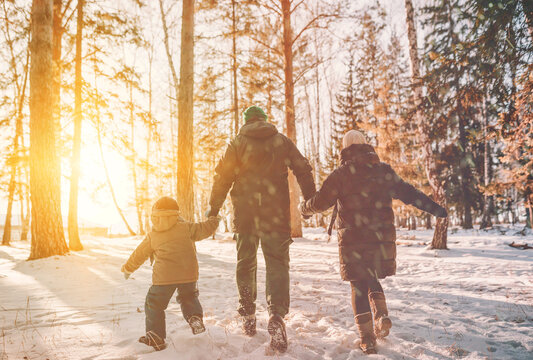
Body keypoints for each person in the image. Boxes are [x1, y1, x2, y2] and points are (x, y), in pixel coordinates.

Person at [299, 130, 447, 355]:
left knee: (358, 284)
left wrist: (304, 209)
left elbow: (320, 202)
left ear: (345, 148)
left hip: (353, 240)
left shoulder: (342, 174)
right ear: (366, 146)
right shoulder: (383, 171)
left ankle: (367, 339)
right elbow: (408, 193)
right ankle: (381, 314)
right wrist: (434, 208)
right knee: (371, 276)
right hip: (379, 238)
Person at [207, 105, 315, 352]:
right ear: (265, 120)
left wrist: (213, 210)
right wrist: (309, 200)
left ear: (246, 122)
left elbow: (221, 179)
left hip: (246, 216)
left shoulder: (237, 144)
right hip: (275, 215)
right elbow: (303, 168)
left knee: (245, 262)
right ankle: (276, 314)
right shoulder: (281, 141)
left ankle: (247, 315)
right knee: (277, 263)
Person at [121, 196, 220, 351]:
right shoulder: (186, 227)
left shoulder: (153, 235)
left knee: (154, 304)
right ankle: (195, 318)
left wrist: (128, 268)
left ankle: (155, 336)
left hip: (164, 278)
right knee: (188, 297)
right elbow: (204, 229)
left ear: (154, 215)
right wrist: (214, 219)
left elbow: (139, 254)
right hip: (188, 273)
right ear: (176, 213)